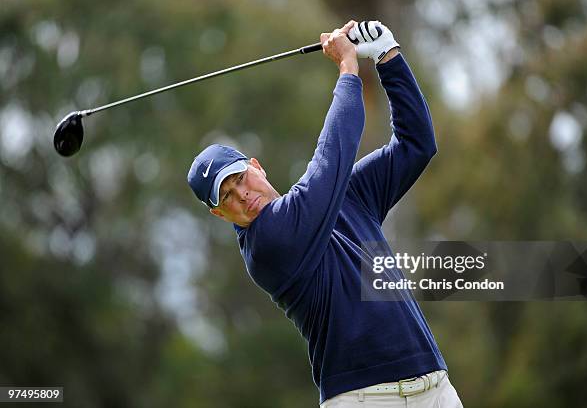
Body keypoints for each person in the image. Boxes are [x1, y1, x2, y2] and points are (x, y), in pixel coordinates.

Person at [188, 20, 463, 408]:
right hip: (362, 399)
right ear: (220, 215)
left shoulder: (343, 196)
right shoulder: (267, 245)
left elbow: (417, 144)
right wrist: (348, 69)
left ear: (256, 166)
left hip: (435, 389)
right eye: (227, 197)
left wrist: (388, 57)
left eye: (239, 178)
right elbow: (331, 158)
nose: (242, 195)